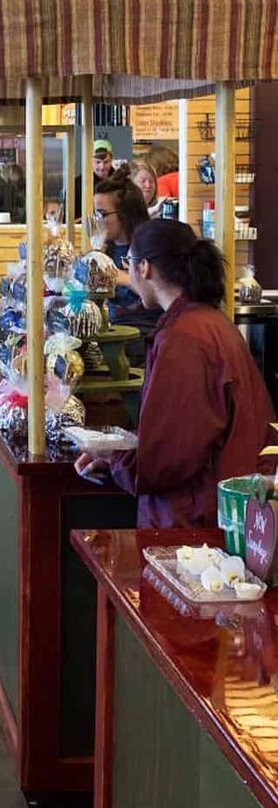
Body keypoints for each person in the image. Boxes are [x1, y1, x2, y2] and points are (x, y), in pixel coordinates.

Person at [75, 220, 274, 528]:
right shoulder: (205, 322)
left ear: (145, 268)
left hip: (197, 522)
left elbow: (168, 456)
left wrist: (116, 458)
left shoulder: (185, 338)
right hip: (223, 506)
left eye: (128, 262)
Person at [94, 170, 161, 342]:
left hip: (144, 338)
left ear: (124, 214)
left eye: (102, 214)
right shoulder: (104, 250)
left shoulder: (152, 248)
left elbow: (165, 298)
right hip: (110, 334)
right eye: (95, 214)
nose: (97, 221)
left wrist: (123, 278)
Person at [73, 139, 115, 215]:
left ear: (111, 160)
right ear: (90, 161)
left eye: (106, 162)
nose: (102, 167)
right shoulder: (78, 184)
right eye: (97, 162)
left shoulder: (120, 182)